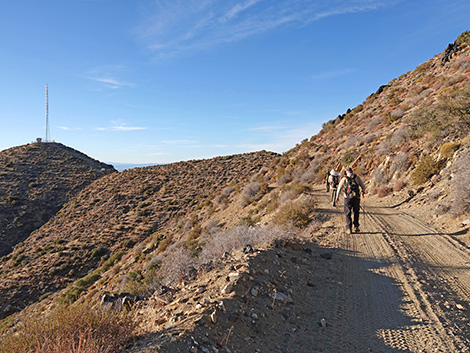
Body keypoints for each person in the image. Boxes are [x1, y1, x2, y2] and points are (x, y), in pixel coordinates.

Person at [335, 167, 366, 234]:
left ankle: (349, 228)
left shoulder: (344, 178)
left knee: (347, 212)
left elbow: (339, 188)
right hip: (356, 197)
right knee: (356, 211)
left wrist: (337, 197)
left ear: (346, 172)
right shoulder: (357, 177)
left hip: (347, 198)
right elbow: (363, 186)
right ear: (352, 171)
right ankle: (356, 227)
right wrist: (363, 192)